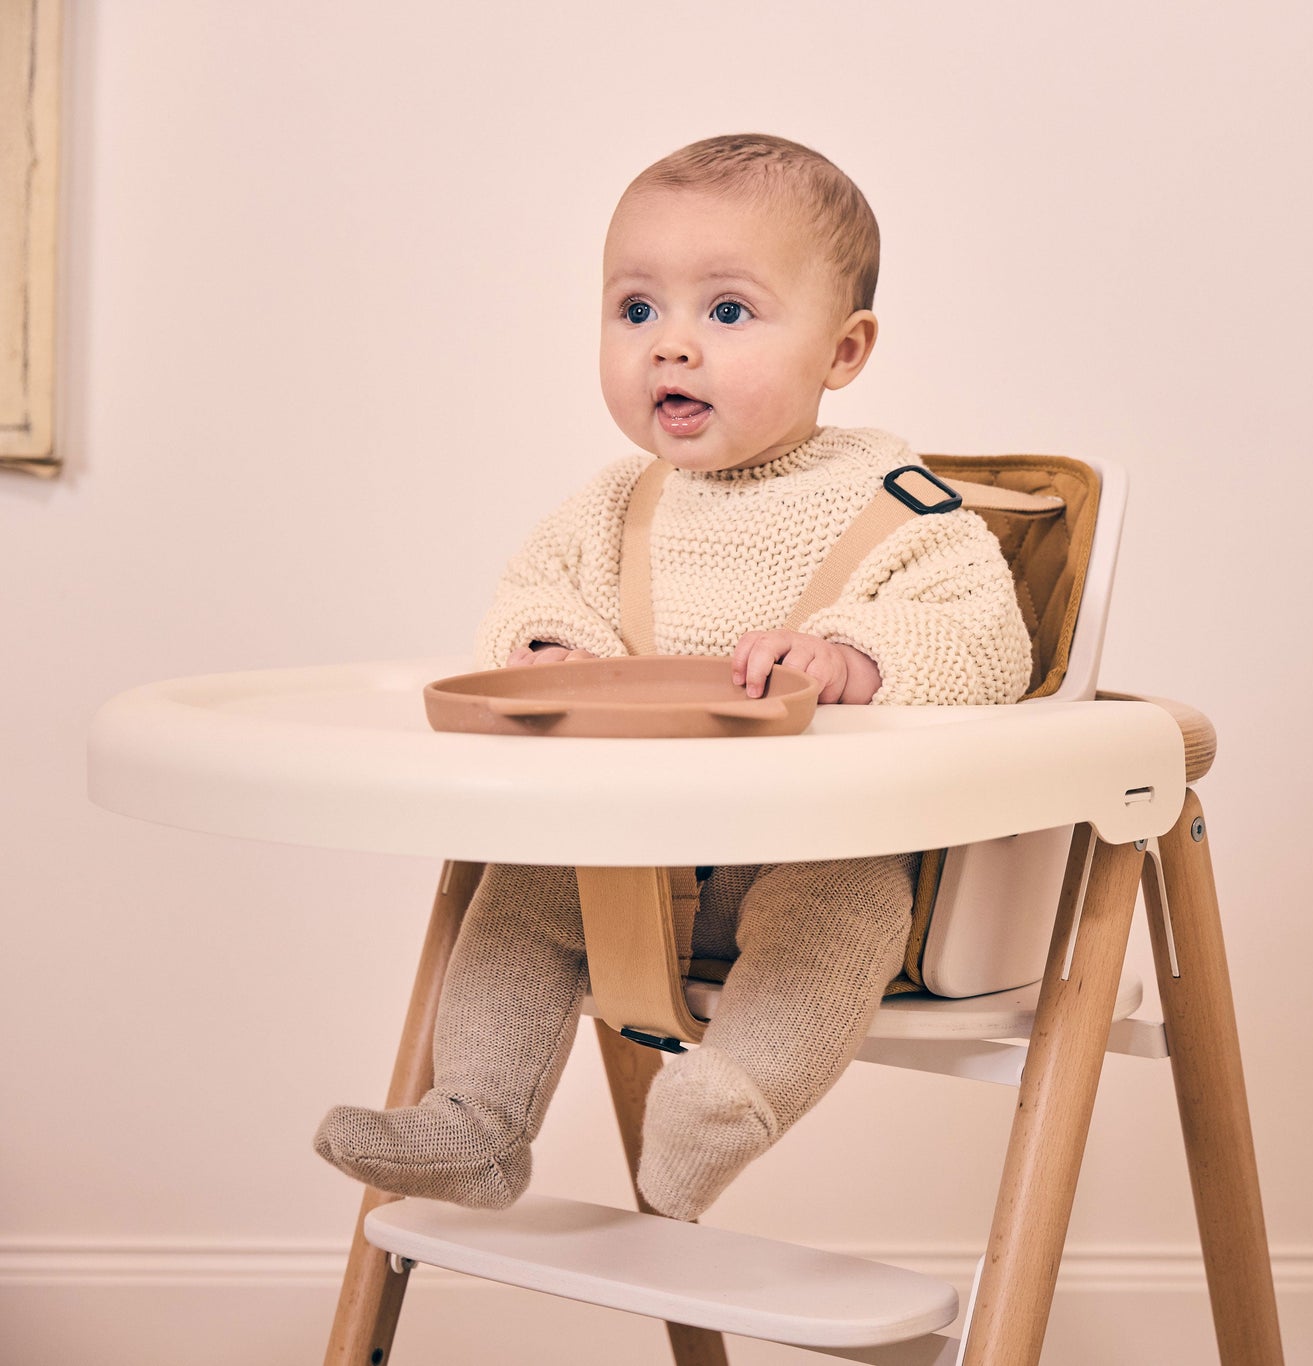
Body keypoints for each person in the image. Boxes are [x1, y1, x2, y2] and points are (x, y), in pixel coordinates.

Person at [313, 133, 1032, 1220]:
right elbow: (530, 590)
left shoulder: (896, 499)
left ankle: (725, 1105)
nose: (670, 348)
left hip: (806, 850)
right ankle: (474, 1119)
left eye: (727, 313)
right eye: (636, 310)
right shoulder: (619, 502)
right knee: (517, 888)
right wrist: (548, 648)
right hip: (627, 857)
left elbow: (987, 641)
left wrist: (853, 655)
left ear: (843, 351)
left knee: (845, 907)